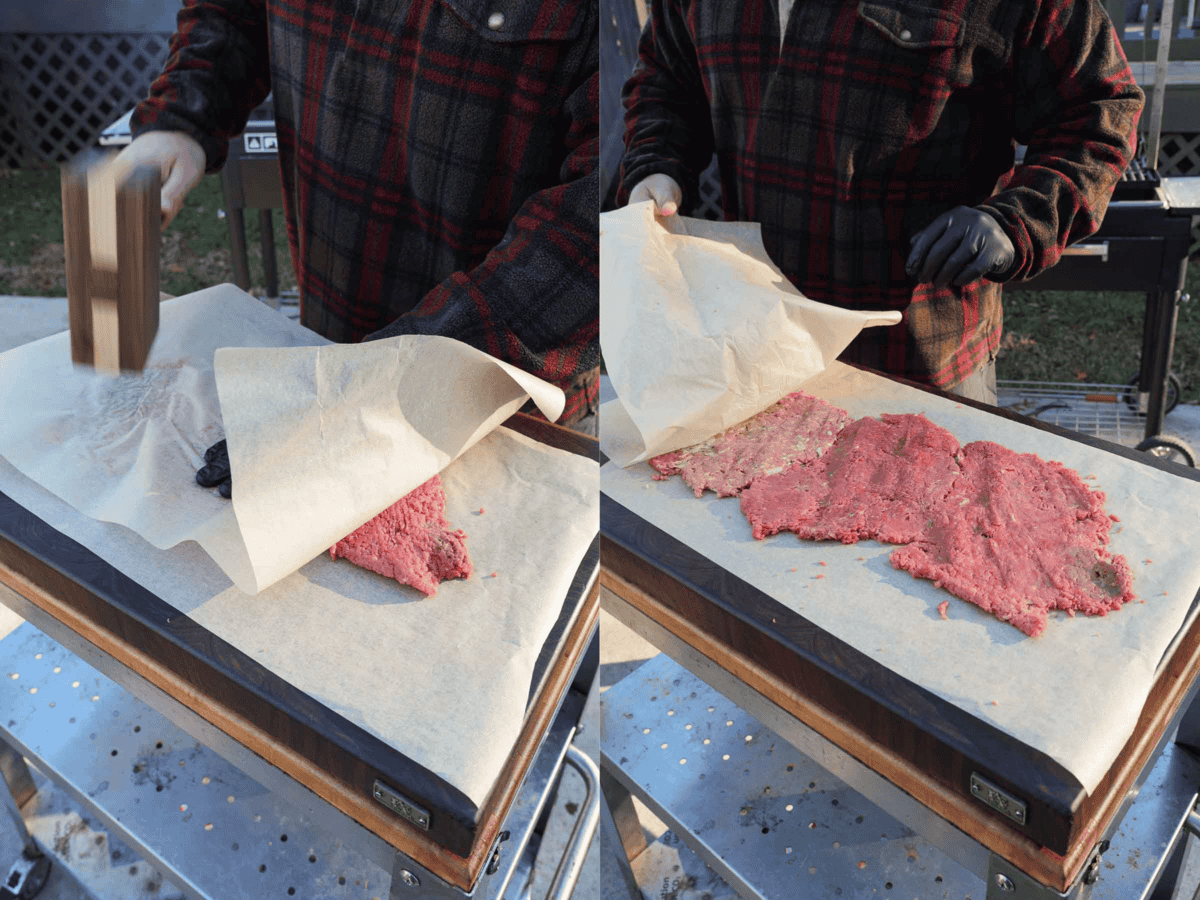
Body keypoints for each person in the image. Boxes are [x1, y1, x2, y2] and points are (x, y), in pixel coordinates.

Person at [619, 0, 1144, 403]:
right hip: (755, 343)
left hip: (920, 363)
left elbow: (1099, 111)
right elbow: (667, 79)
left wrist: (1017, 220)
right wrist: (656, 164)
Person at [115, 0, 600, 427]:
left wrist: (384, 381)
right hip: (323, 343)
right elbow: (231, 11)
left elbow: (602, 220)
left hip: (499, 411)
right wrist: (182, 114)